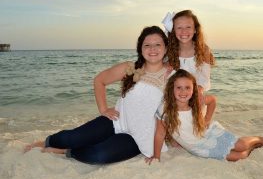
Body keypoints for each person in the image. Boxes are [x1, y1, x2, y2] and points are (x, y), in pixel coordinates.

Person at [24, 26, 169, 164]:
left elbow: (175, 110)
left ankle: (66, 152)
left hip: (140, 136)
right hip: (117, 121)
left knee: (98, 155)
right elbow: (99, 80)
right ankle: (46, 142)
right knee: (72, 137)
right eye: (147, 45)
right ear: (140, 49)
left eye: (157, 44)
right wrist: (104, 109)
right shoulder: (129, 68)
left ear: (165, 48)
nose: (152, 49)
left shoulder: (171, 75)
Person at [145, 69, 263, 164]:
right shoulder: (165, 110)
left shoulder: (195, 102)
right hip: (197, 146)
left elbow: (212, 100)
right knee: (239, 157)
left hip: (209, 133)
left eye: (187, 88)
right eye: (178, 87)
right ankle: (254, 146)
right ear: (171, 89)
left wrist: (207, 119)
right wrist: (156, 157)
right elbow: (160, 134)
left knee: (241, 146)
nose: (183, 92)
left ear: (193, 89)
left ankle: (257, 139)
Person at [162, 10, 216, 126]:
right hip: (172, 100)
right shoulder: (168, 50)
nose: (184, 31)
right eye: (179, 27)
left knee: (193, 133)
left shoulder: (203, 50)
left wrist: (200, 90)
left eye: (188, 27)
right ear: (173, 30)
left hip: (194, 99)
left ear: (195, 29)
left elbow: (204, 78)